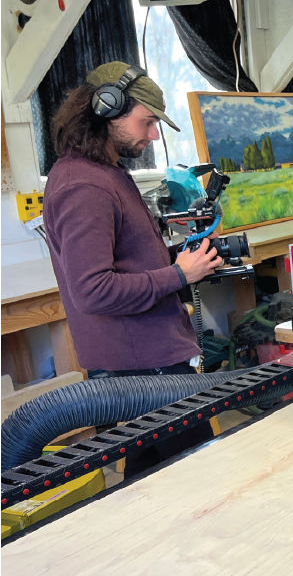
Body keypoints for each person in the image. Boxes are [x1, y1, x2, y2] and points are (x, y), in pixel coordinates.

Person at [43, 62, 223, 469]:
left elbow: (126, 259)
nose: (153, 134)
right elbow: (92, 290)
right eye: (146, 122)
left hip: (148, 363)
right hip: (141, 372)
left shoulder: (106, 173)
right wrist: (180, 274)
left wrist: (177, 259)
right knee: (202, 477)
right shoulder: (83, 185)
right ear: (107, 109)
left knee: (146, 487)